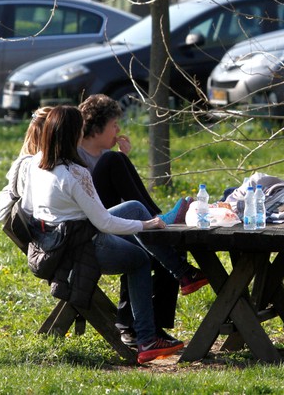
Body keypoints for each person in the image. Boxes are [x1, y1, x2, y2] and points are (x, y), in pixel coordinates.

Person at [21, 105, 184, 364]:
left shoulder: (35, 165)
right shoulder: (75, 173)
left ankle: (181, 272)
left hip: (54, 243)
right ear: (74, 134)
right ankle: (146, 338)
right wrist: (145, 226)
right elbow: (104, 223)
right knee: (140, 259)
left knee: (134, 207)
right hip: (83, 248)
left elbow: (29, 208)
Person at [77, 94, 207, 346]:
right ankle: (160, 220)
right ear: (97, 126)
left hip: (114, 223)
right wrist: (119, 158)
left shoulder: (105, 156)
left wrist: (122, 158)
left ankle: (149, 328)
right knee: (157, 240)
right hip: (95, 230)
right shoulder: (77, 155)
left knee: (159, 248)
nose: (118, 131)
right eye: (114, 125)